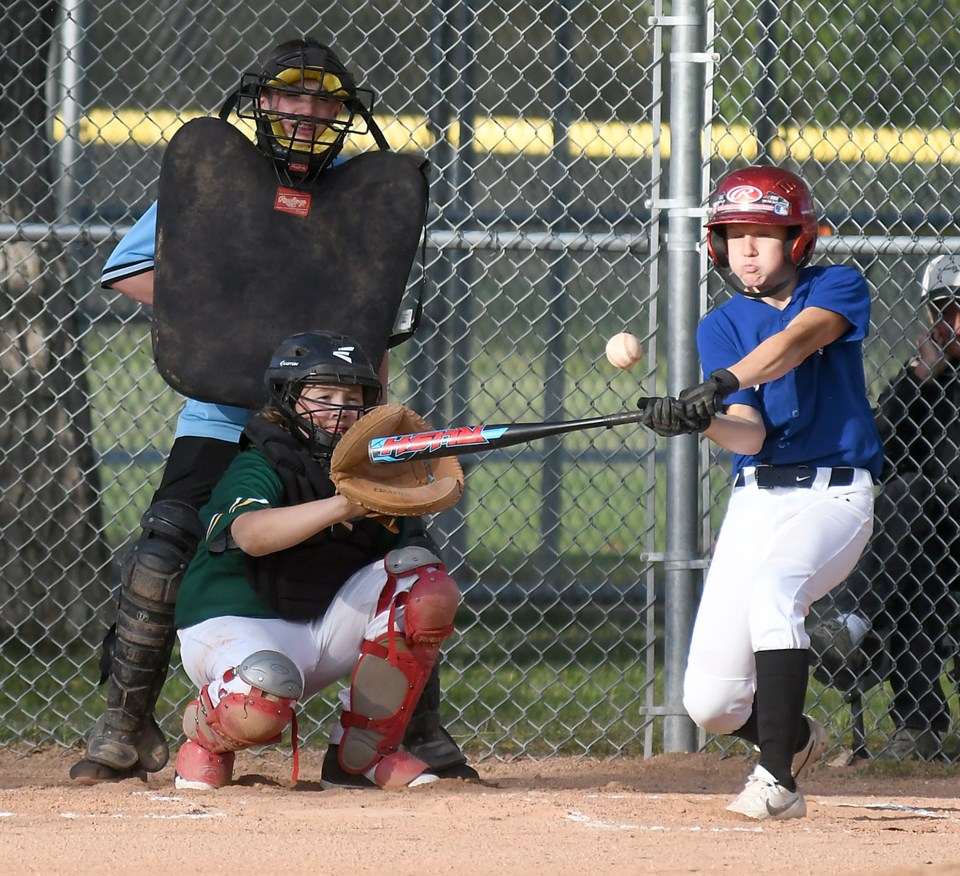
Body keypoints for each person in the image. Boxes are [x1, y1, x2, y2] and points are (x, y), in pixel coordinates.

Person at [71, 37, 475, 785]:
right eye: (293, 95)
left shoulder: (362, 197)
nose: (308, 112)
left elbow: (371, 316)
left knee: (399, 550)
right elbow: (126, 272)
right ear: (263, 103)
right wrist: (244, 321)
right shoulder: (219, 184)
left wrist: (359, 407)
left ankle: (419, 730)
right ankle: (125, 727)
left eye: (325, 100)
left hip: (328, 420)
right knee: (163, 550)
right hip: (224, 413)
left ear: (343, 116)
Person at [639, 165, 883, 820]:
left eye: (765, 234)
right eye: (734, 234)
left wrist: (719, 383)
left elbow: (797, 344)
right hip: (757, 500)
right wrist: (703, 419)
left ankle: (777, 780)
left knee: (778, 589)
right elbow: (748, 434)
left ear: (798, 240)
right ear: (715, 246)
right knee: (711, 705)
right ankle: (797, 740)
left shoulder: (836, 286)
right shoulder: (720, 325)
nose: (747, 248)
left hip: (835, 496)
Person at [172, 329, 460, 790]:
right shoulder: (263, 459)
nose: (341, 410)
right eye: (323, 395)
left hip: (321, 626)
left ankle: (360, 756)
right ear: (288, 399)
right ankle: (205, 738)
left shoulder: (373, 468)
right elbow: (252, 535)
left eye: (353, 398)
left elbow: (409, 563)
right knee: (262, 699)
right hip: (234, 623)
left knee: (424, 588)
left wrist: (398, 498)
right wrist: (344, 505)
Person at [808, 254, 960, 761]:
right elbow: (874, 452)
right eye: (944, 309)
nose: (952, 322)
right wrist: (918, 377)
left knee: (911, 514)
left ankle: (854, 618)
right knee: (908, 513)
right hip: (935, 538)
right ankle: (917, 727)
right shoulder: (929, 384)